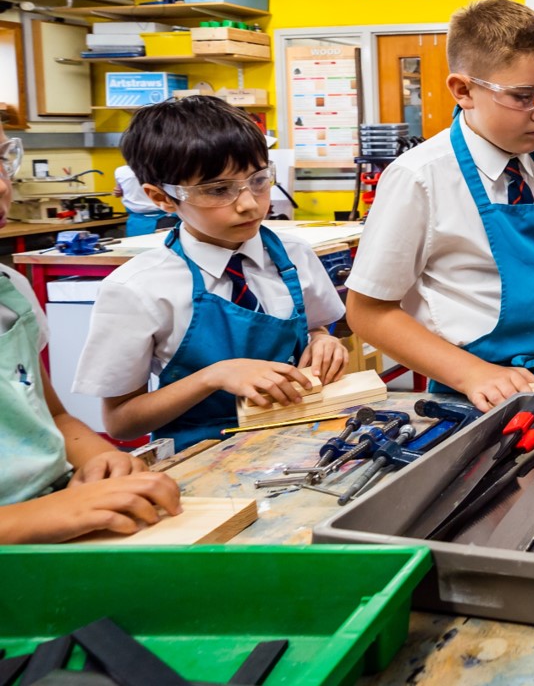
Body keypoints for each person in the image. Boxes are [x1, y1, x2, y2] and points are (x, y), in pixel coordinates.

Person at [346, 0, 534, 411]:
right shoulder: (420, 177)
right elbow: (367, 312)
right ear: (463, 90)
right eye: (524, 96)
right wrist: (471, 373)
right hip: (474, 392)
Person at [74, 97, 347, 451]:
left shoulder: (293, 255)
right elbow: (122, 422)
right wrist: (215, 376)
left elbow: (316, 326)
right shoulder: (137, 289)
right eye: (219, 190)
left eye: (259, 180)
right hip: (203, 458)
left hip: (306, 442)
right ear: (163, 198)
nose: (249, 203)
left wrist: (324, 340)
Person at [0, 122, 184, 543]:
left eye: (1, 159)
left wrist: (102, 460)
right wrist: (31, 517)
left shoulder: (10, 290)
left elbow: (54, 418)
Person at [114, 163, 175, 236]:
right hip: (141, 220)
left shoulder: (121, 171)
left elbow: (120, 190)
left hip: (142, 221)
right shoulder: (164, 168)